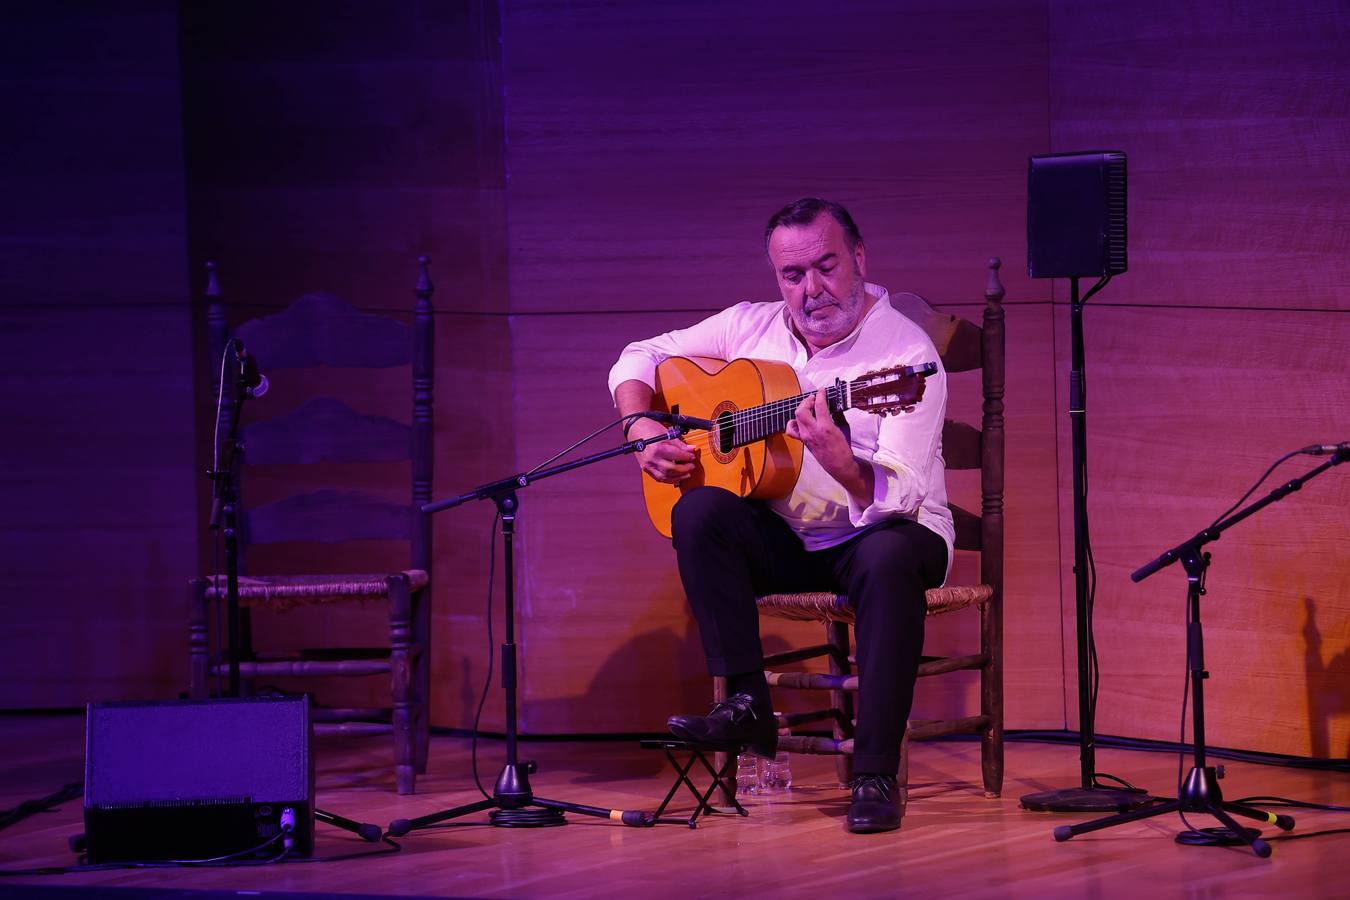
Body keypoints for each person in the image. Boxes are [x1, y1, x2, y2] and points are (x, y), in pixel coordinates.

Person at [608, 198, 953, 834]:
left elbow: (901, 495)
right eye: (793, 275)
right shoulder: (750, 327)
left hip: (883, 533)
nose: (811, 289)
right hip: (791, 538)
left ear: (859, 258)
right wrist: (641, 428)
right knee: (700, 511)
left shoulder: (905, 356)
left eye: (827, 267)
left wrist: (844, 464)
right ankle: (747, 706)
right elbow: (639, 354)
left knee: (890, 554)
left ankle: (874, 774)